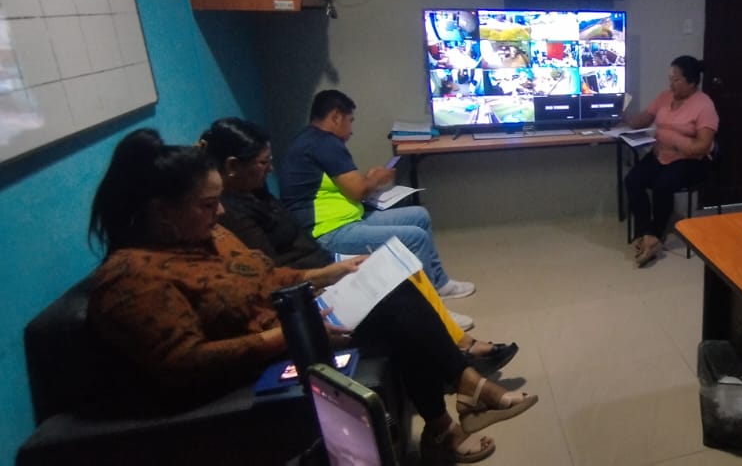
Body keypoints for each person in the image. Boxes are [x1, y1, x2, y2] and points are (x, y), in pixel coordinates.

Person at [88, 130, 537, 463]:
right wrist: (283, 337)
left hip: (289, 324)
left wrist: (327, 272)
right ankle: (464, 397)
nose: (220, 212)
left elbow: (263, 277)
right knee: (397, 314)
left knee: (392, 289)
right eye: (207, 204)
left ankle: (452, 413)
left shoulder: (207, 237)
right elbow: (183, 363)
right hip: (258, 361)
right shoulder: (131, 279)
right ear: (161, 212)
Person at [200, 117, 515, 375]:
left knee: (404, 268)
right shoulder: (231, 213)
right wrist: (325, 276)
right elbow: (273, 275)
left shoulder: (254, 191)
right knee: (400, 280)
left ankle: (461, 345)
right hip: (315, 280)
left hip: (324, 263)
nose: (270, 168)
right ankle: (461, 359)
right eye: (263, 162)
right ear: (232, 165)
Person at [277, 90, 476, 303]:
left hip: (347, 219)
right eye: (350, 120)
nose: (351, 130)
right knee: (415, 237)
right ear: (336, 116)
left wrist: (368, 179)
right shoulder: (325, 144)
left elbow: (347, 186)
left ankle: (440, 283)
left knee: (420, 215)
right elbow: (358, 191)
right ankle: (431, 306)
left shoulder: (310, 140)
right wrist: (377, 178)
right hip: (328, 232)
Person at [623, 55, 719, 267]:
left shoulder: (704, 105)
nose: (671, 84)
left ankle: (656, 234)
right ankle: (647, 234)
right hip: (661, 154)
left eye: (676, 80)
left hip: (691, 160)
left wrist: (674, 140)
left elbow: (703, 146)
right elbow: (645, 118)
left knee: (662, 185)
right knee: (633, 180)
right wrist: (626, 116)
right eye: (670, 79)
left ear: (691, 82)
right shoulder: (665, 97)